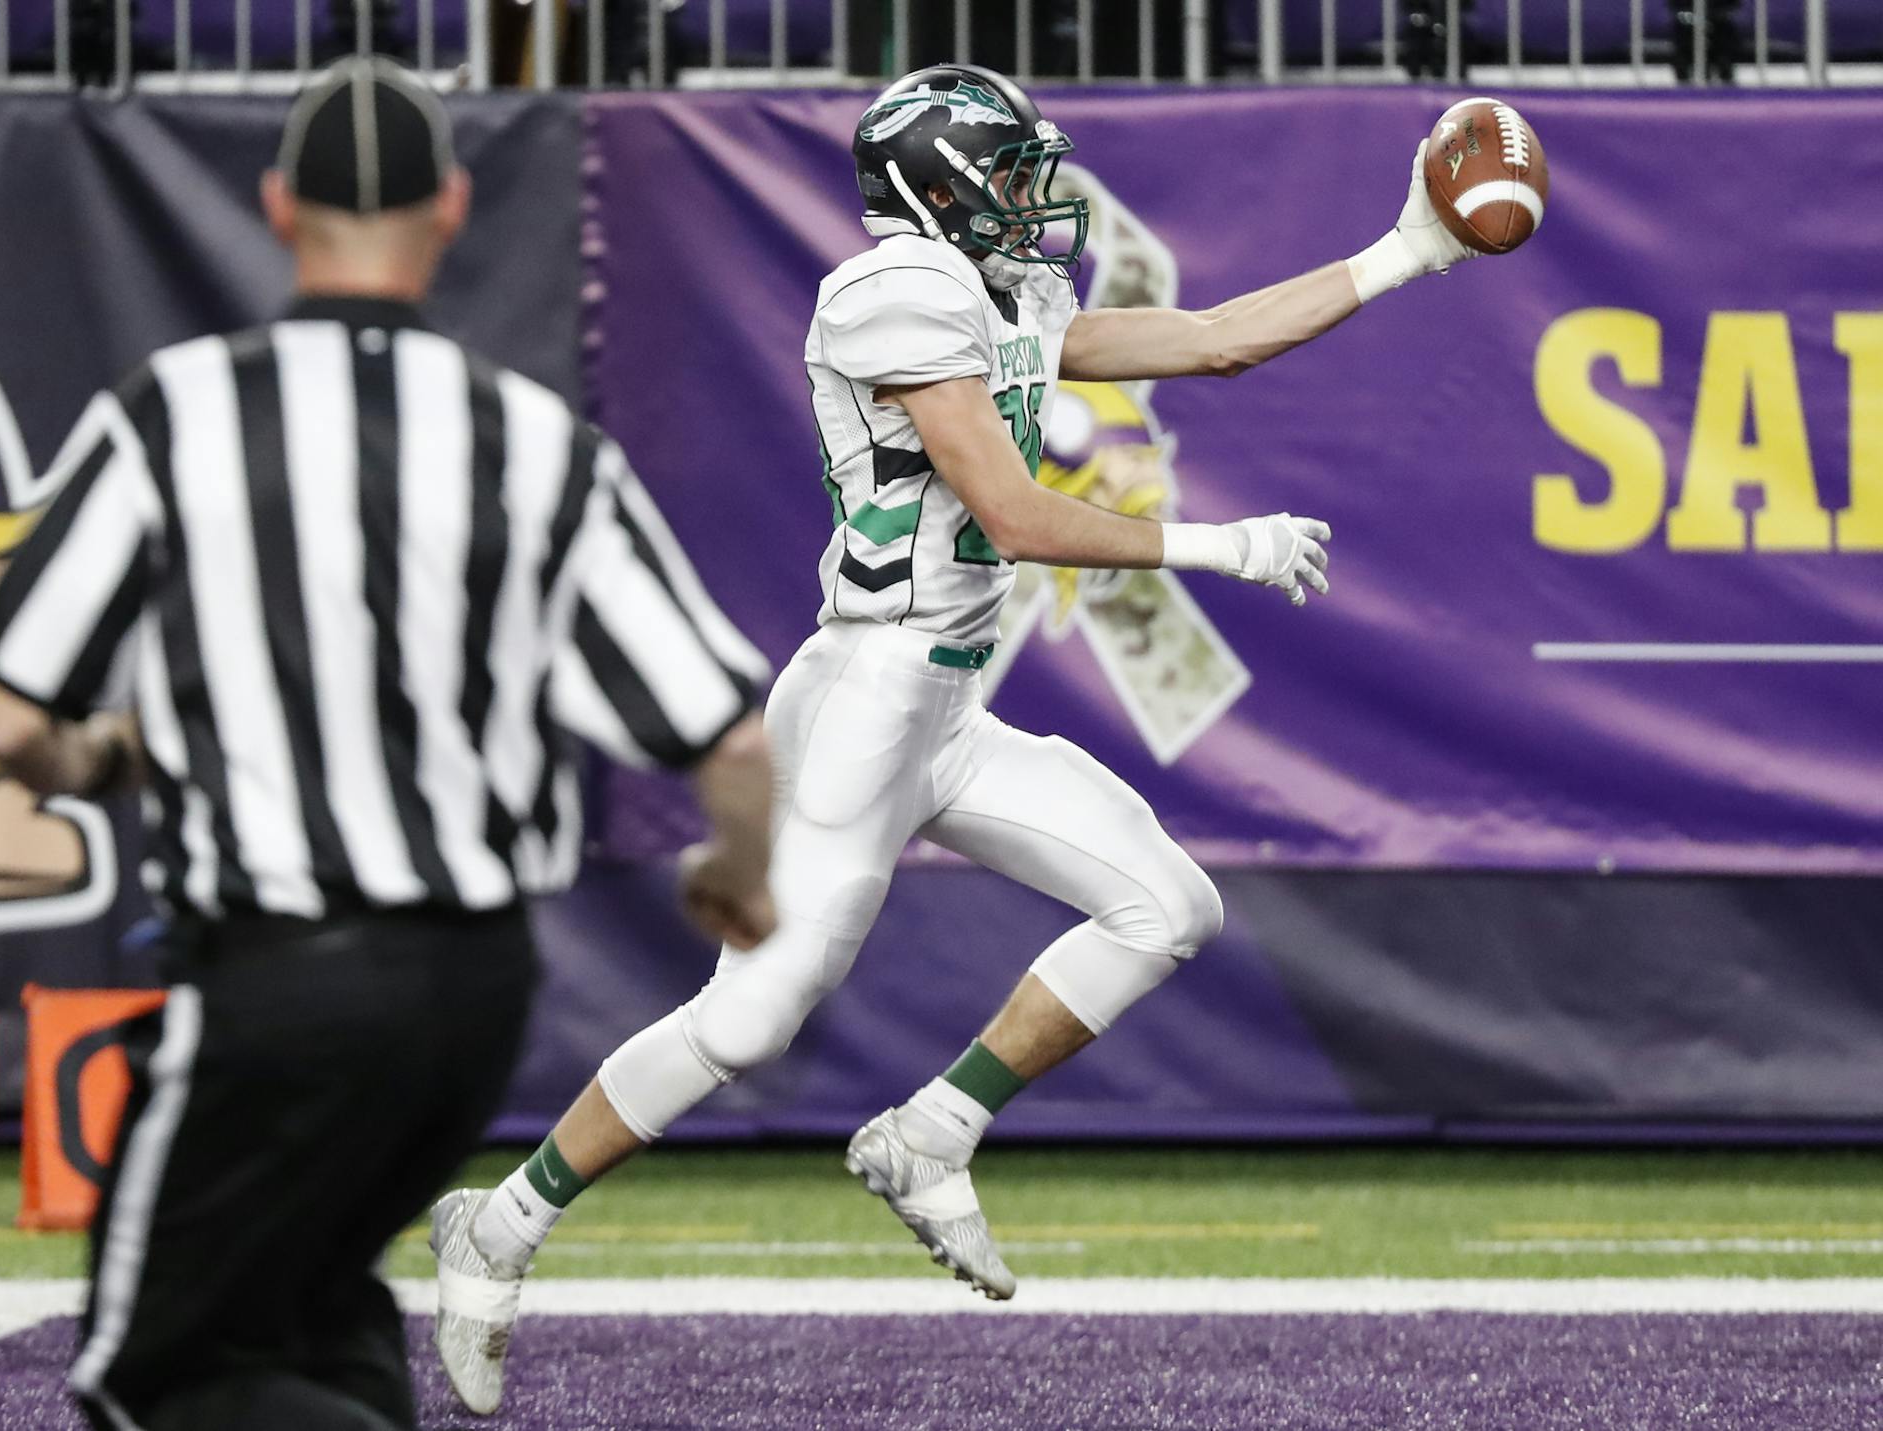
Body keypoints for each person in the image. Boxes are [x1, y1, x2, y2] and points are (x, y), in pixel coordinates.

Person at [432, 62, 1520, 1416]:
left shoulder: (1004, 291)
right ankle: (502, 1222)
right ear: (935, 186)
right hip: (858, 708)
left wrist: (1405, 251)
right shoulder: (893, 292)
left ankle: (933, 1128)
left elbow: (1217, 337)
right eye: (1009, 172)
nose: (1033, 196)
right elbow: (1014, 513)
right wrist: (1219, 543)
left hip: (942, 706)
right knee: (753, 1018)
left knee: (1164, 905)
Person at [0, 56, 774, 1431]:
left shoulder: (178, 414)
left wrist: (106, 759)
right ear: (451, 208)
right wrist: (736, 879)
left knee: (142, 1376)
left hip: (281, 977)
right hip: (474, 997)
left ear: (280, 207)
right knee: (311, 1311)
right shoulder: (536, 445)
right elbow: (733, 741)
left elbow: (12, 723)